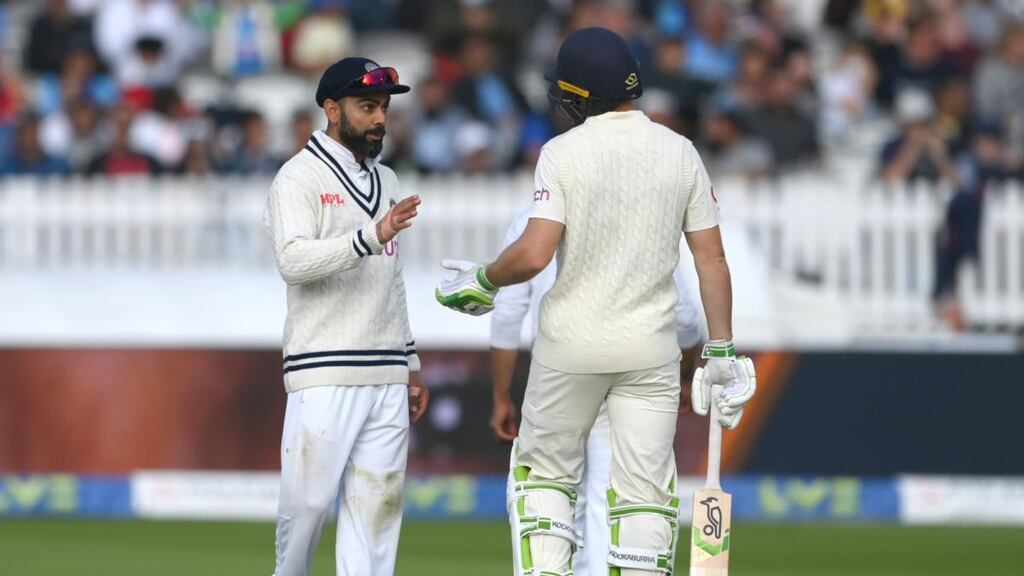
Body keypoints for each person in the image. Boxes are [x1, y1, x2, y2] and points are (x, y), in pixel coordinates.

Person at [436, 27, 756, 575]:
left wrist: (484, 281)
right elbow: (711, 262)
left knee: (546, 483)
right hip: (649, 354)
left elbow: (535, 254)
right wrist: (721, 351)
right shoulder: (680, 152)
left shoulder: (562, 153)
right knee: (645, 496)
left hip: (571, 350)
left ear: (581, 94)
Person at [263, 57, 429, 576]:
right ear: (332, 110)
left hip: (385, 370)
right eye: (366, 107)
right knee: (307, 509)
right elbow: (293, 262)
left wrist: (410, 359)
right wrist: (369, 236)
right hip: (324, 366)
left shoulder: (389, 178)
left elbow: (391, 275)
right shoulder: (298, 177)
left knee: (375, 517)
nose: (379, 118)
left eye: (382, 107)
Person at [489, 206, 703, 574]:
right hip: (632, 366)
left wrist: (501, 396)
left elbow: (508, 314)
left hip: (560, 368)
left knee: (550, 486)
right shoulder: (642, 215)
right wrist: (685, 375)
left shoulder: (532, 215)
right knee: (615, 495)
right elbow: (684, 315)